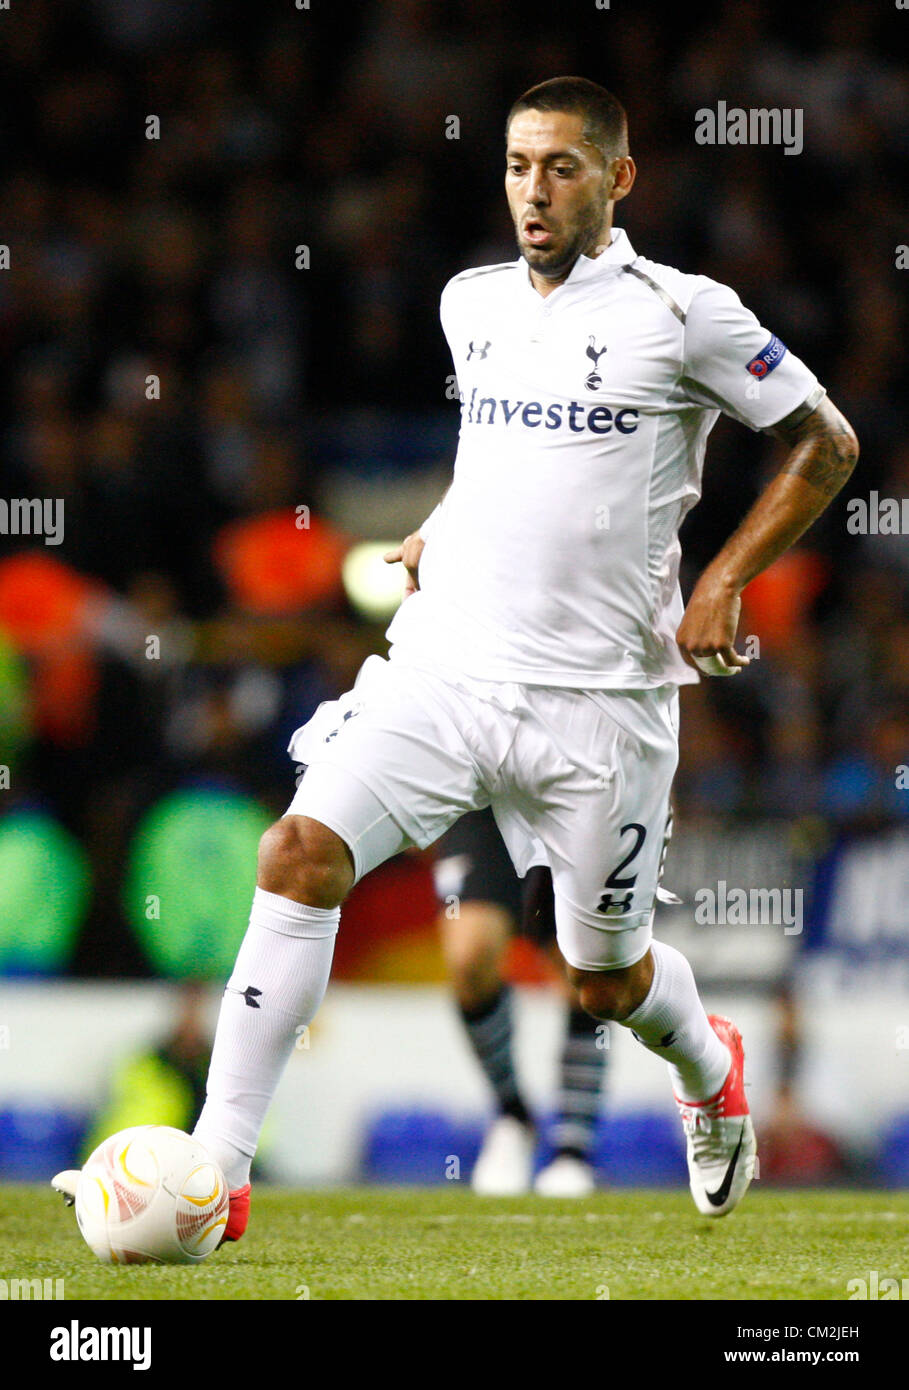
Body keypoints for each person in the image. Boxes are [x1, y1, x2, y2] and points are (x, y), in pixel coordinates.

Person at [191, 76, 858, 1241]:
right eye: (515, 165)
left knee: (602, 981)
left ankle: (707, 1065)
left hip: (603, 707)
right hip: (447, 670)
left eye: (561, 166)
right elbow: (500, 447)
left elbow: (826, 440)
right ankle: (215, 1174)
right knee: (298, 854)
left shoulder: (685, 311)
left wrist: (723, 578)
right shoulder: (472, 303)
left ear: (619, 177)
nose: (534, 191)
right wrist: (444, 527)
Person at [434, 807, 611, 1196]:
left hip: (580, 797)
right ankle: (513, 1115)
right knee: (469, 956)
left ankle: (572, 1149)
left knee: (588, 969)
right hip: (487, 798)